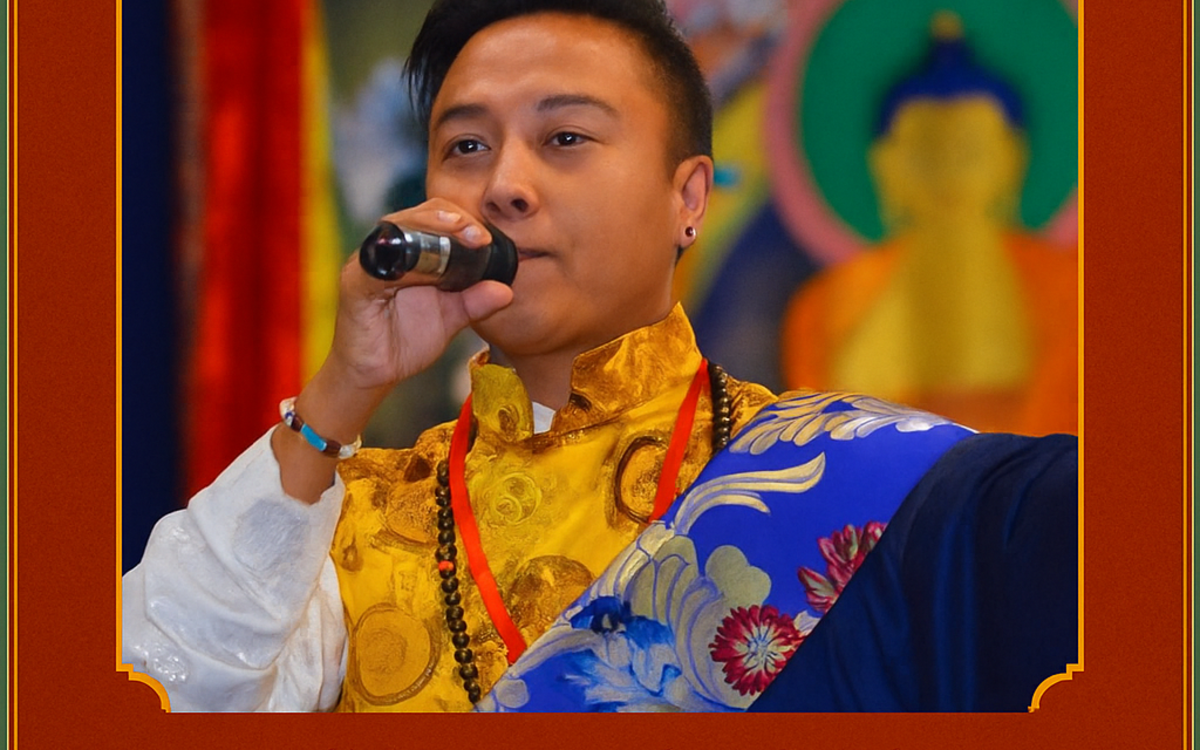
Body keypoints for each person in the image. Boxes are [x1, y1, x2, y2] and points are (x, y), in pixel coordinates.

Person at [122, 0, 1077, 712]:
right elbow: (149, 691)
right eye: (465, 146)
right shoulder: (351, 523)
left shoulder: (851, 479)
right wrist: (345, 387)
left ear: (688, 197)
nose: (504, 185)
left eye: (565, 137)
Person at [780, 12, 1078, 436]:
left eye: (971, 148)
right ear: (883, 164)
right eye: (924, 149)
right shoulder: (828, 310)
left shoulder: (1074, 295)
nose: (948, 170)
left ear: (1013, 157)